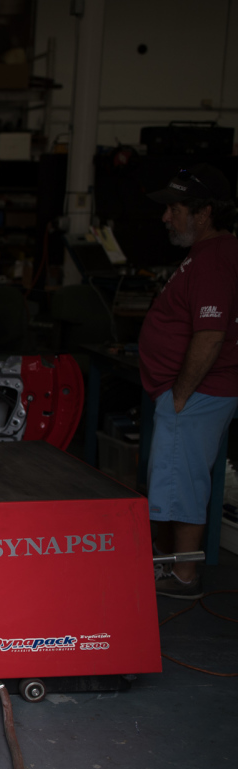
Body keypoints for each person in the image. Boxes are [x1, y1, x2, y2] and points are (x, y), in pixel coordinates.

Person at [139, 163, 238, 599]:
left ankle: (183, 577)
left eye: (174, 208)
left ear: (204, 212)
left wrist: (180, 394)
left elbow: (211, 334)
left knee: (182, 482)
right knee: (177, 479)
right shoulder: (207, 253)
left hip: (197, 394)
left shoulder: (215, 257)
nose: (166, 217)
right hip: (194, 392)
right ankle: (175, 567)